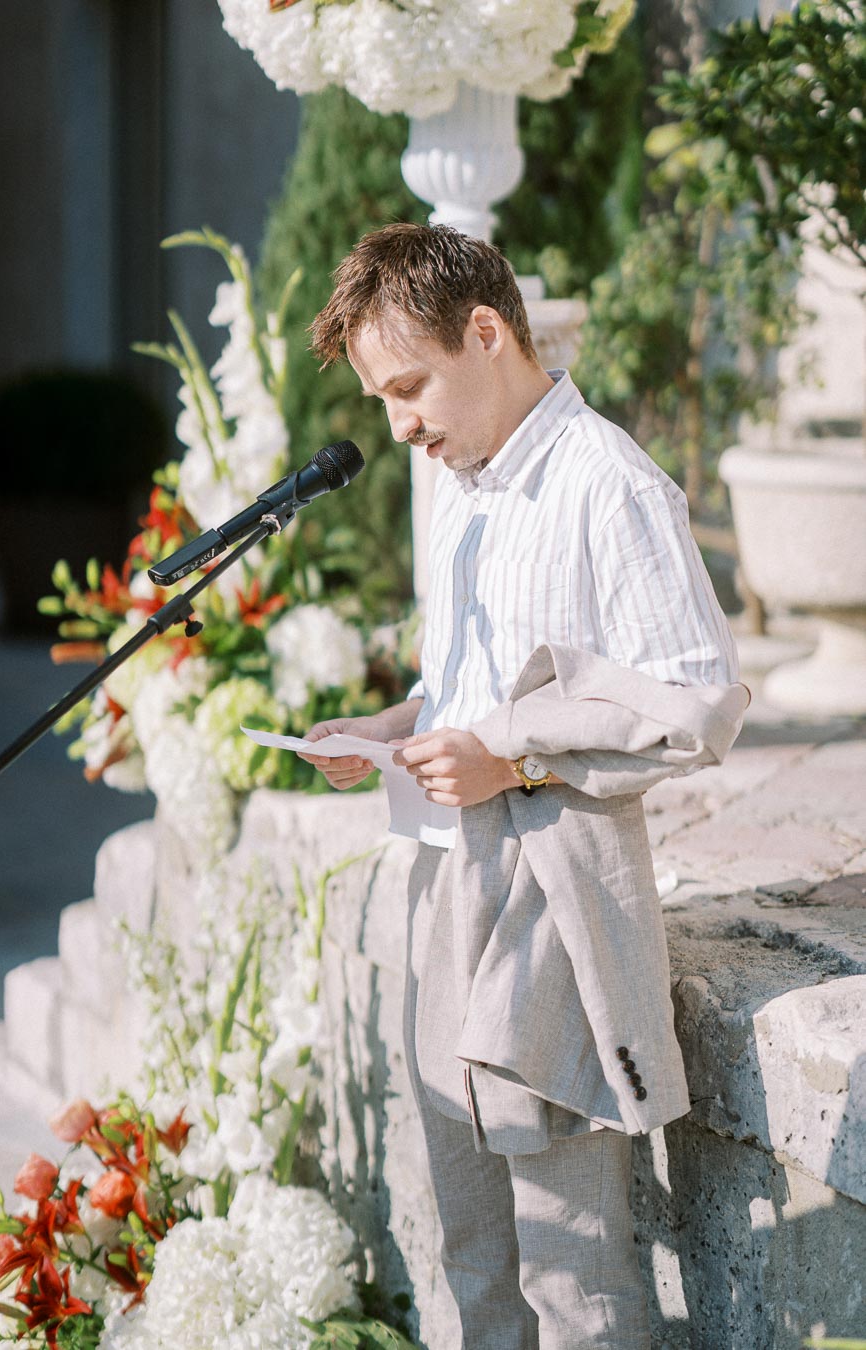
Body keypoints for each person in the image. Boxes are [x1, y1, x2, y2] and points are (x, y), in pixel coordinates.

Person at [299, 222, 745, 1349]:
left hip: (547, 904)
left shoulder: (612, 485)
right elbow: (463, 685)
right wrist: (391, 726)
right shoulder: (464, 488)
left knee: (574, 1277)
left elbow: (696, 701)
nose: (397, 426)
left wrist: (516, 752)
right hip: (443, 891)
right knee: (474, 1262)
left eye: (408, 387)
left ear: (487, 332)